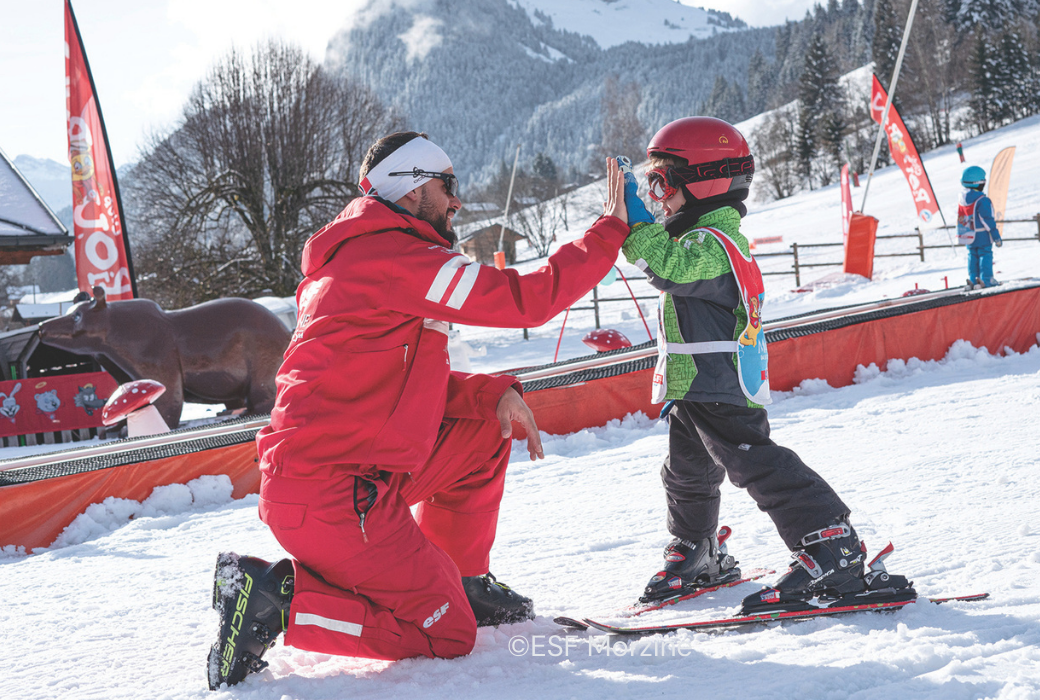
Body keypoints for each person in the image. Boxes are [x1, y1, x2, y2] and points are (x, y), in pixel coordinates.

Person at [206, 131, 633, 689]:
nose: (457, 200)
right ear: (411, 190)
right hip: (337, 495)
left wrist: (488, 394)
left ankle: (465, 582)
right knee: (447, 636)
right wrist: (611, 229)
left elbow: (395, 382)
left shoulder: (364, 254)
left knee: (485, 432)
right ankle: (278, 602)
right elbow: (530, 297)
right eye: (447, 185)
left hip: (345, 476)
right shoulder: (396, 257)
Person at [616, 116, 911, 616]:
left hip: (721, 381)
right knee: (686, 473)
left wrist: (635, 224)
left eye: (661, 181)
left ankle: (831, 546)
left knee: (756, 463)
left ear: (704, 182)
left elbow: (669, 268)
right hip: (694, 383)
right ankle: (697, 550)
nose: (654, 194)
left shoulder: (714, 244)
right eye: (649, 182)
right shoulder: (699, 236)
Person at [956, 165, 1003, 289]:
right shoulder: (982, 200)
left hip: (968, 234)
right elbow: (987, 219)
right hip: (982, 234)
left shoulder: (962, 199)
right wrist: (995, 235)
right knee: (985, 254)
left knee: (972, 255)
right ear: (978, 183)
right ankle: (986, 279)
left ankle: (973, 279)